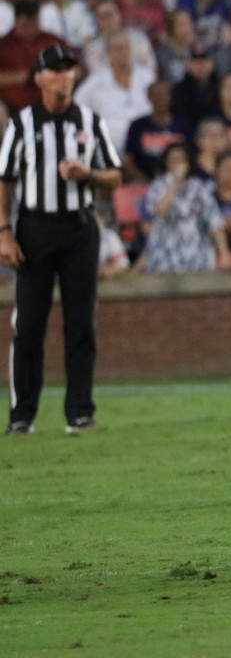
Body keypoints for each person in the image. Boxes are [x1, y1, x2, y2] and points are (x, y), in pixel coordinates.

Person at [0, 44, 122, 435]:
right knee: (30, 323)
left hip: (79, 228)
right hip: (35, 228)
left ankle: (80, 412)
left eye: (69, 68)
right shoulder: (21, 125)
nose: (63, 75)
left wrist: (86, 174)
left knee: (81, 321)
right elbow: (4, 180)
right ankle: (22, 415)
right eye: (54, 69)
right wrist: (3, 231)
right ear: (39, 79)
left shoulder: (90, 121)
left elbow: (114, 175)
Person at [140, 142, 231, 273]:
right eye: (173, 160)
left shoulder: (199, 187)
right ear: (166, 163)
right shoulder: (157, 186)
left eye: (181, 160)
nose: (177, 164)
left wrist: (224, 253)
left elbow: (214, 221)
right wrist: (174, 183)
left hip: (196, 250)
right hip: (165, 250)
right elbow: (160, 209)